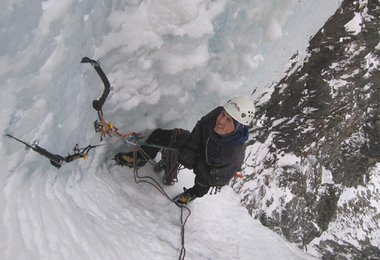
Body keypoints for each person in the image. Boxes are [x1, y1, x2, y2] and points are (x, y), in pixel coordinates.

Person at [114, 96, 255, 205]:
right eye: (223, 114)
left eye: (229, 120)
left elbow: (215, 178)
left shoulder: (234, 156)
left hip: (209, 169)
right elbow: (201, 125)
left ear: (237, 127)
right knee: (160, 136)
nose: (221, 121)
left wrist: (196, 163)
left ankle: (192, 194)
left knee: (202, 184)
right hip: (197, 145)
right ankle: (140, 157)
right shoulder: (216, 115)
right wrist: (191, 149)